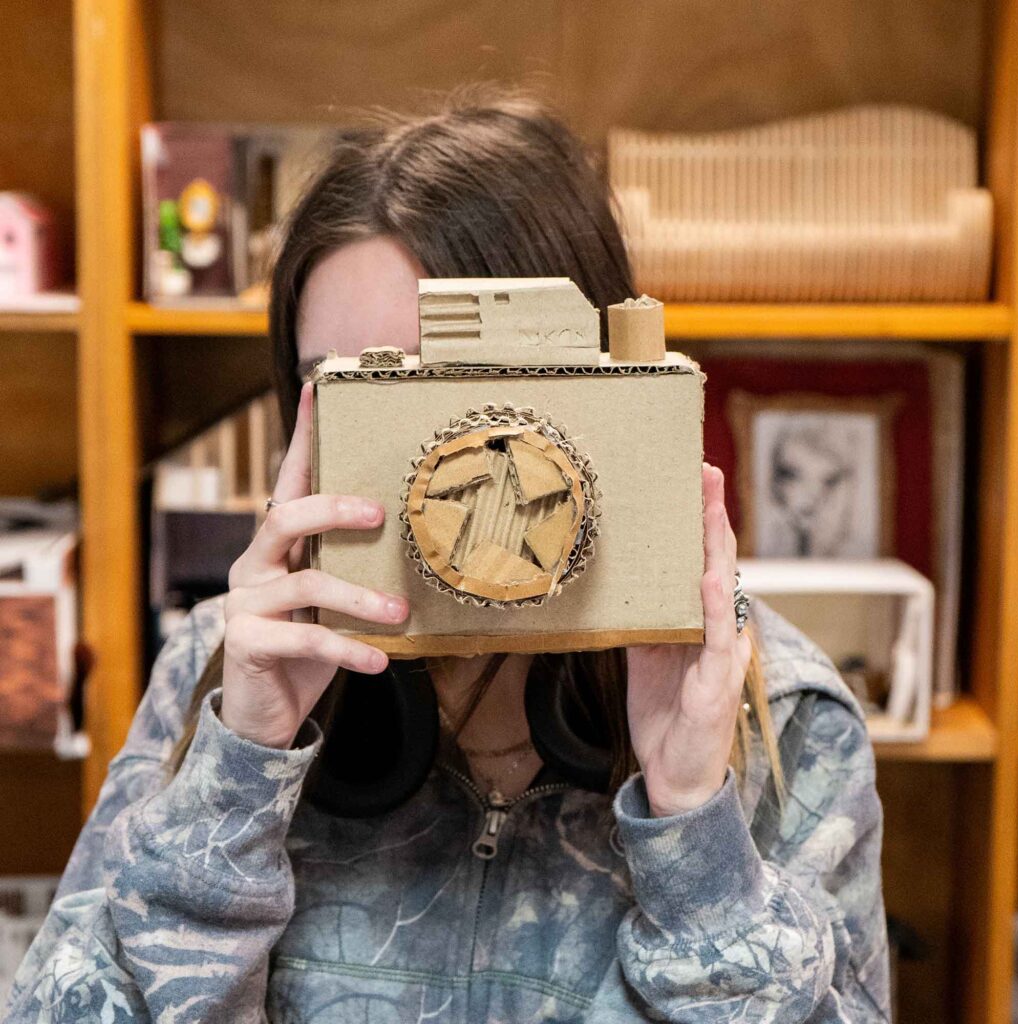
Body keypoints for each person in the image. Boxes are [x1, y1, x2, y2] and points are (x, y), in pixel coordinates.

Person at [5, 91, 890, 1023]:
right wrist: (236, 782)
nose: (420, 470)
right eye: (344, 396)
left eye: (436, 397)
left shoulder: (777, 714)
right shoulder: (221, 670)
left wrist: (695, 838)